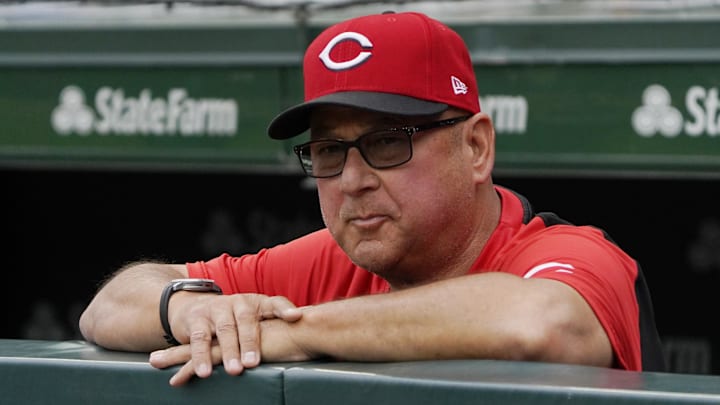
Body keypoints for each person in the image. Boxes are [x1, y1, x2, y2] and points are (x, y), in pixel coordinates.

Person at [79, 11, 666, 386]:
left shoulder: (568, 254)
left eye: (388, 142)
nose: (353, 179)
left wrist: (295, 333)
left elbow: (541, 323)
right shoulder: (330, 262)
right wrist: (189, 311)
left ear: (477, 148)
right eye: (330, 152)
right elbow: (106, 308)